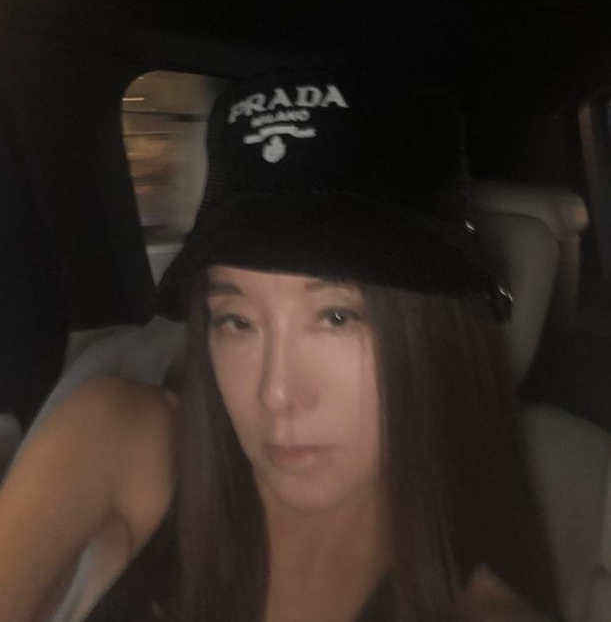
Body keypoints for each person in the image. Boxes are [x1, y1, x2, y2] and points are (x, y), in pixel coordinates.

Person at [0, 70, 561, 622]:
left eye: (336, 316)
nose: (275, 393)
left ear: (431, 334)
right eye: (237, 321)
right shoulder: (122, 438)